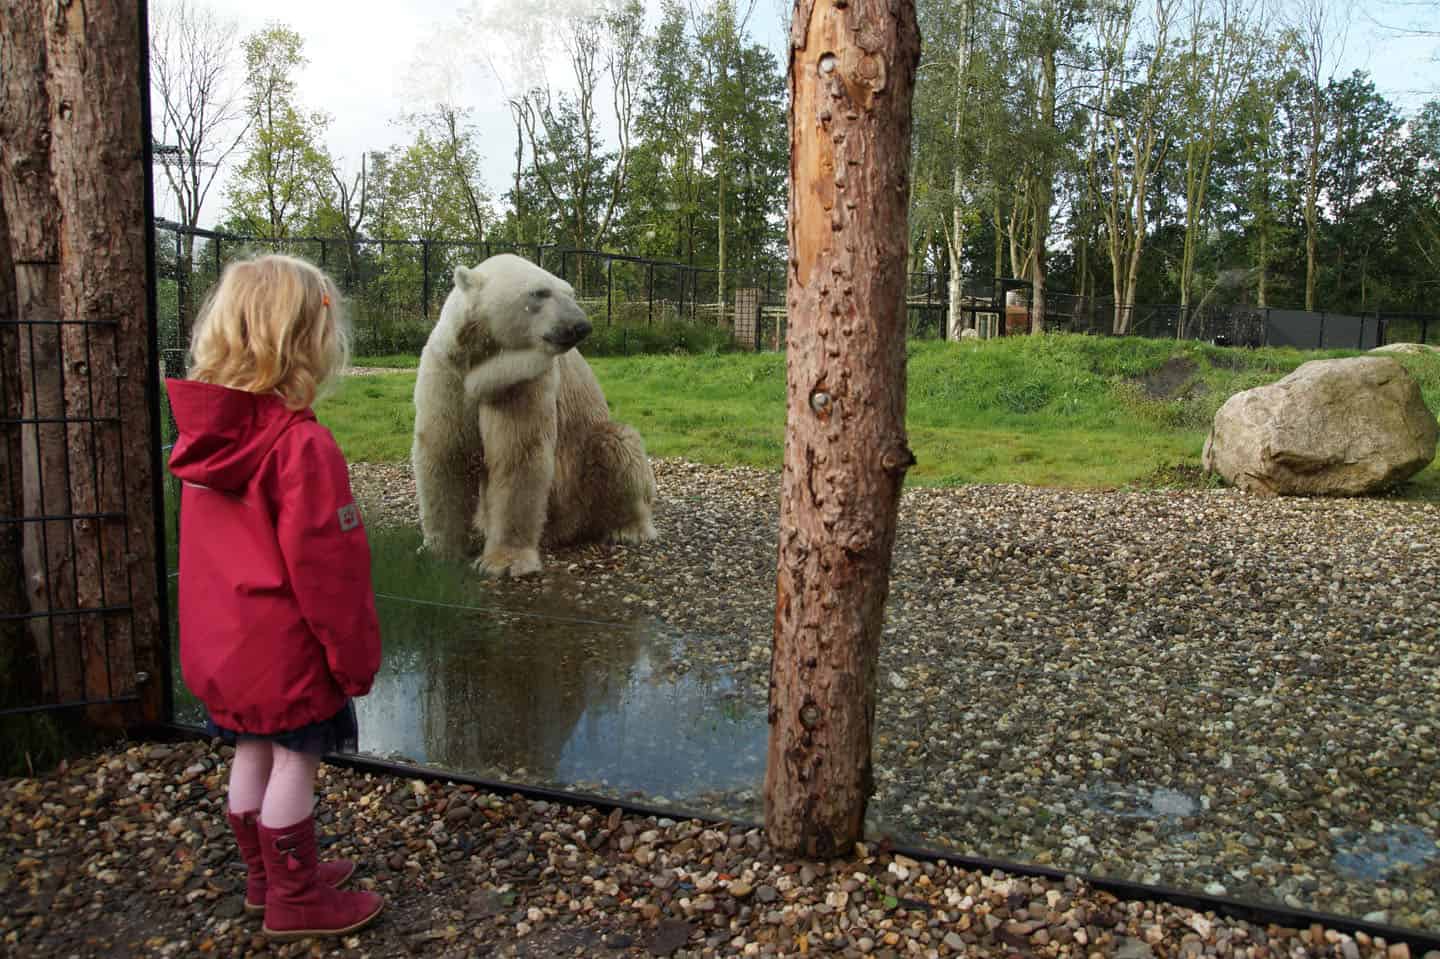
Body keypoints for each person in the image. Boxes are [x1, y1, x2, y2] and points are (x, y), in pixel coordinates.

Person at [165, 254, 384, 940]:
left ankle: (267, 876)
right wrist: (354, 655)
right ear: (304, 343)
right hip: (286, 651)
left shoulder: (205, 441)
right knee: (295, 759)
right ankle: (297, 900)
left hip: (225, 649)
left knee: (251, 751)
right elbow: (330, 572)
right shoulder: (300, 447)